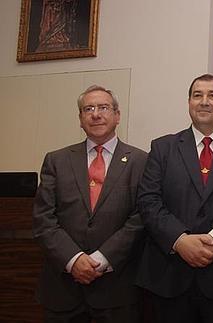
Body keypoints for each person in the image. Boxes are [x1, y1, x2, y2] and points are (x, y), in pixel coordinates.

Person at [136, 74, 213, 323]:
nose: (204, 101)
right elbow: (148, 201)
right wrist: (180, 240)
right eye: (197, 95)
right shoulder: (162, 148)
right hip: (169, 279)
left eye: (212, 95)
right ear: (189, 103)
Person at [33, 85, 148, 322]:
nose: (96, 114)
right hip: (63, 290)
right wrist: (73, 260)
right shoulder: (56, 160)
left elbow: (141, 218)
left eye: (104, 107)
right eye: (89, 109)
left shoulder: (141, 161)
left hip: (117, 292)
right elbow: (44, 219)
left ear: (117, 115)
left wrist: (101, 259)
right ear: (80, 119)